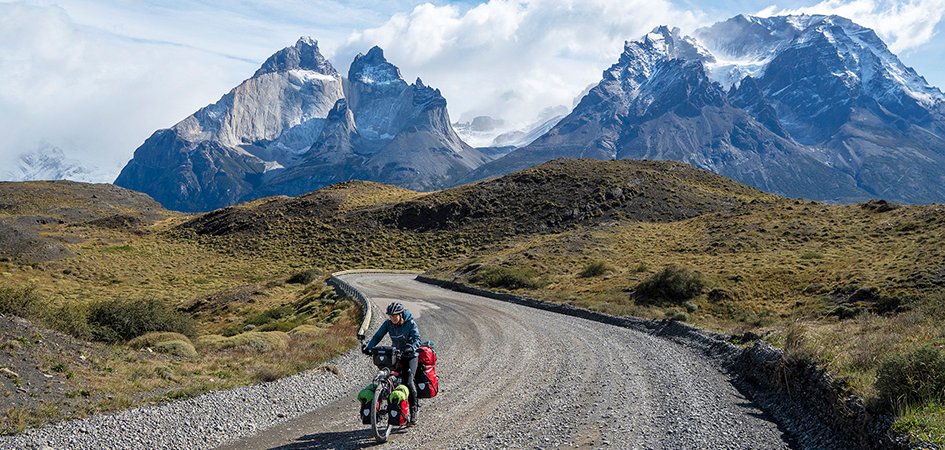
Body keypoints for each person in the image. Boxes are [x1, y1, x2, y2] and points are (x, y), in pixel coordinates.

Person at [363, 302, 421, 425]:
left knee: (408, 381)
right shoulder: (388, 324)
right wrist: (369, 347)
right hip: (396, 355)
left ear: (400, 314)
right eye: (391, 316)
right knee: (387, 378)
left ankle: (414, 409)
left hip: (410, 355)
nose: (393, 318)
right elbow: (377, 336)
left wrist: (411, 347)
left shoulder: (410, 323)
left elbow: (417, 339)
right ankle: (384, 406)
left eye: (395, 315)